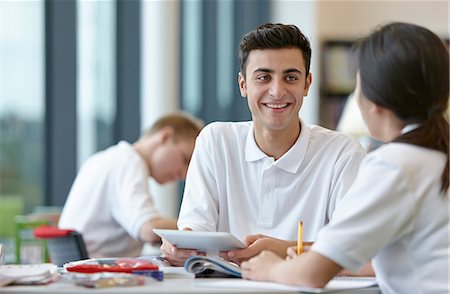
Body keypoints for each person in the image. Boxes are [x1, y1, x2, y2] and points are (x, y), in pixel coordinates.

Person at [241, 22, 449, 294]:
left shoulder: (394, 165)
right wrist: (313, 254)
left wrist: (271, 268)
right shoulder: (434, 155)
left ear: (374, 100)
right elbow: (370, 256)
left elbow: (310, 276)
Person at [161, 23, 366, 266]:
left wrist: (281, 249)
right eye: (263, 77)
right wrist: (180, 247)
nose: (277, 91)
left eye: (290, 77)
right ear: (243, 85)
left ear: (307, 84)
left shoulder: (342, 153)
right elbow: (195, 233)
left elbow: (359, 247)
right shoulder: (215, 141)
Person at [58, 112, 204, 258]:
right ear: (165, 136)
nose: (185, 175)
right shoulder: (129, 162)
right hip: (97, 271)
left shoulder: (105, 159)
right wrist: (197, 228)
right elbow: (149, 229)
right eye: (185, 160)